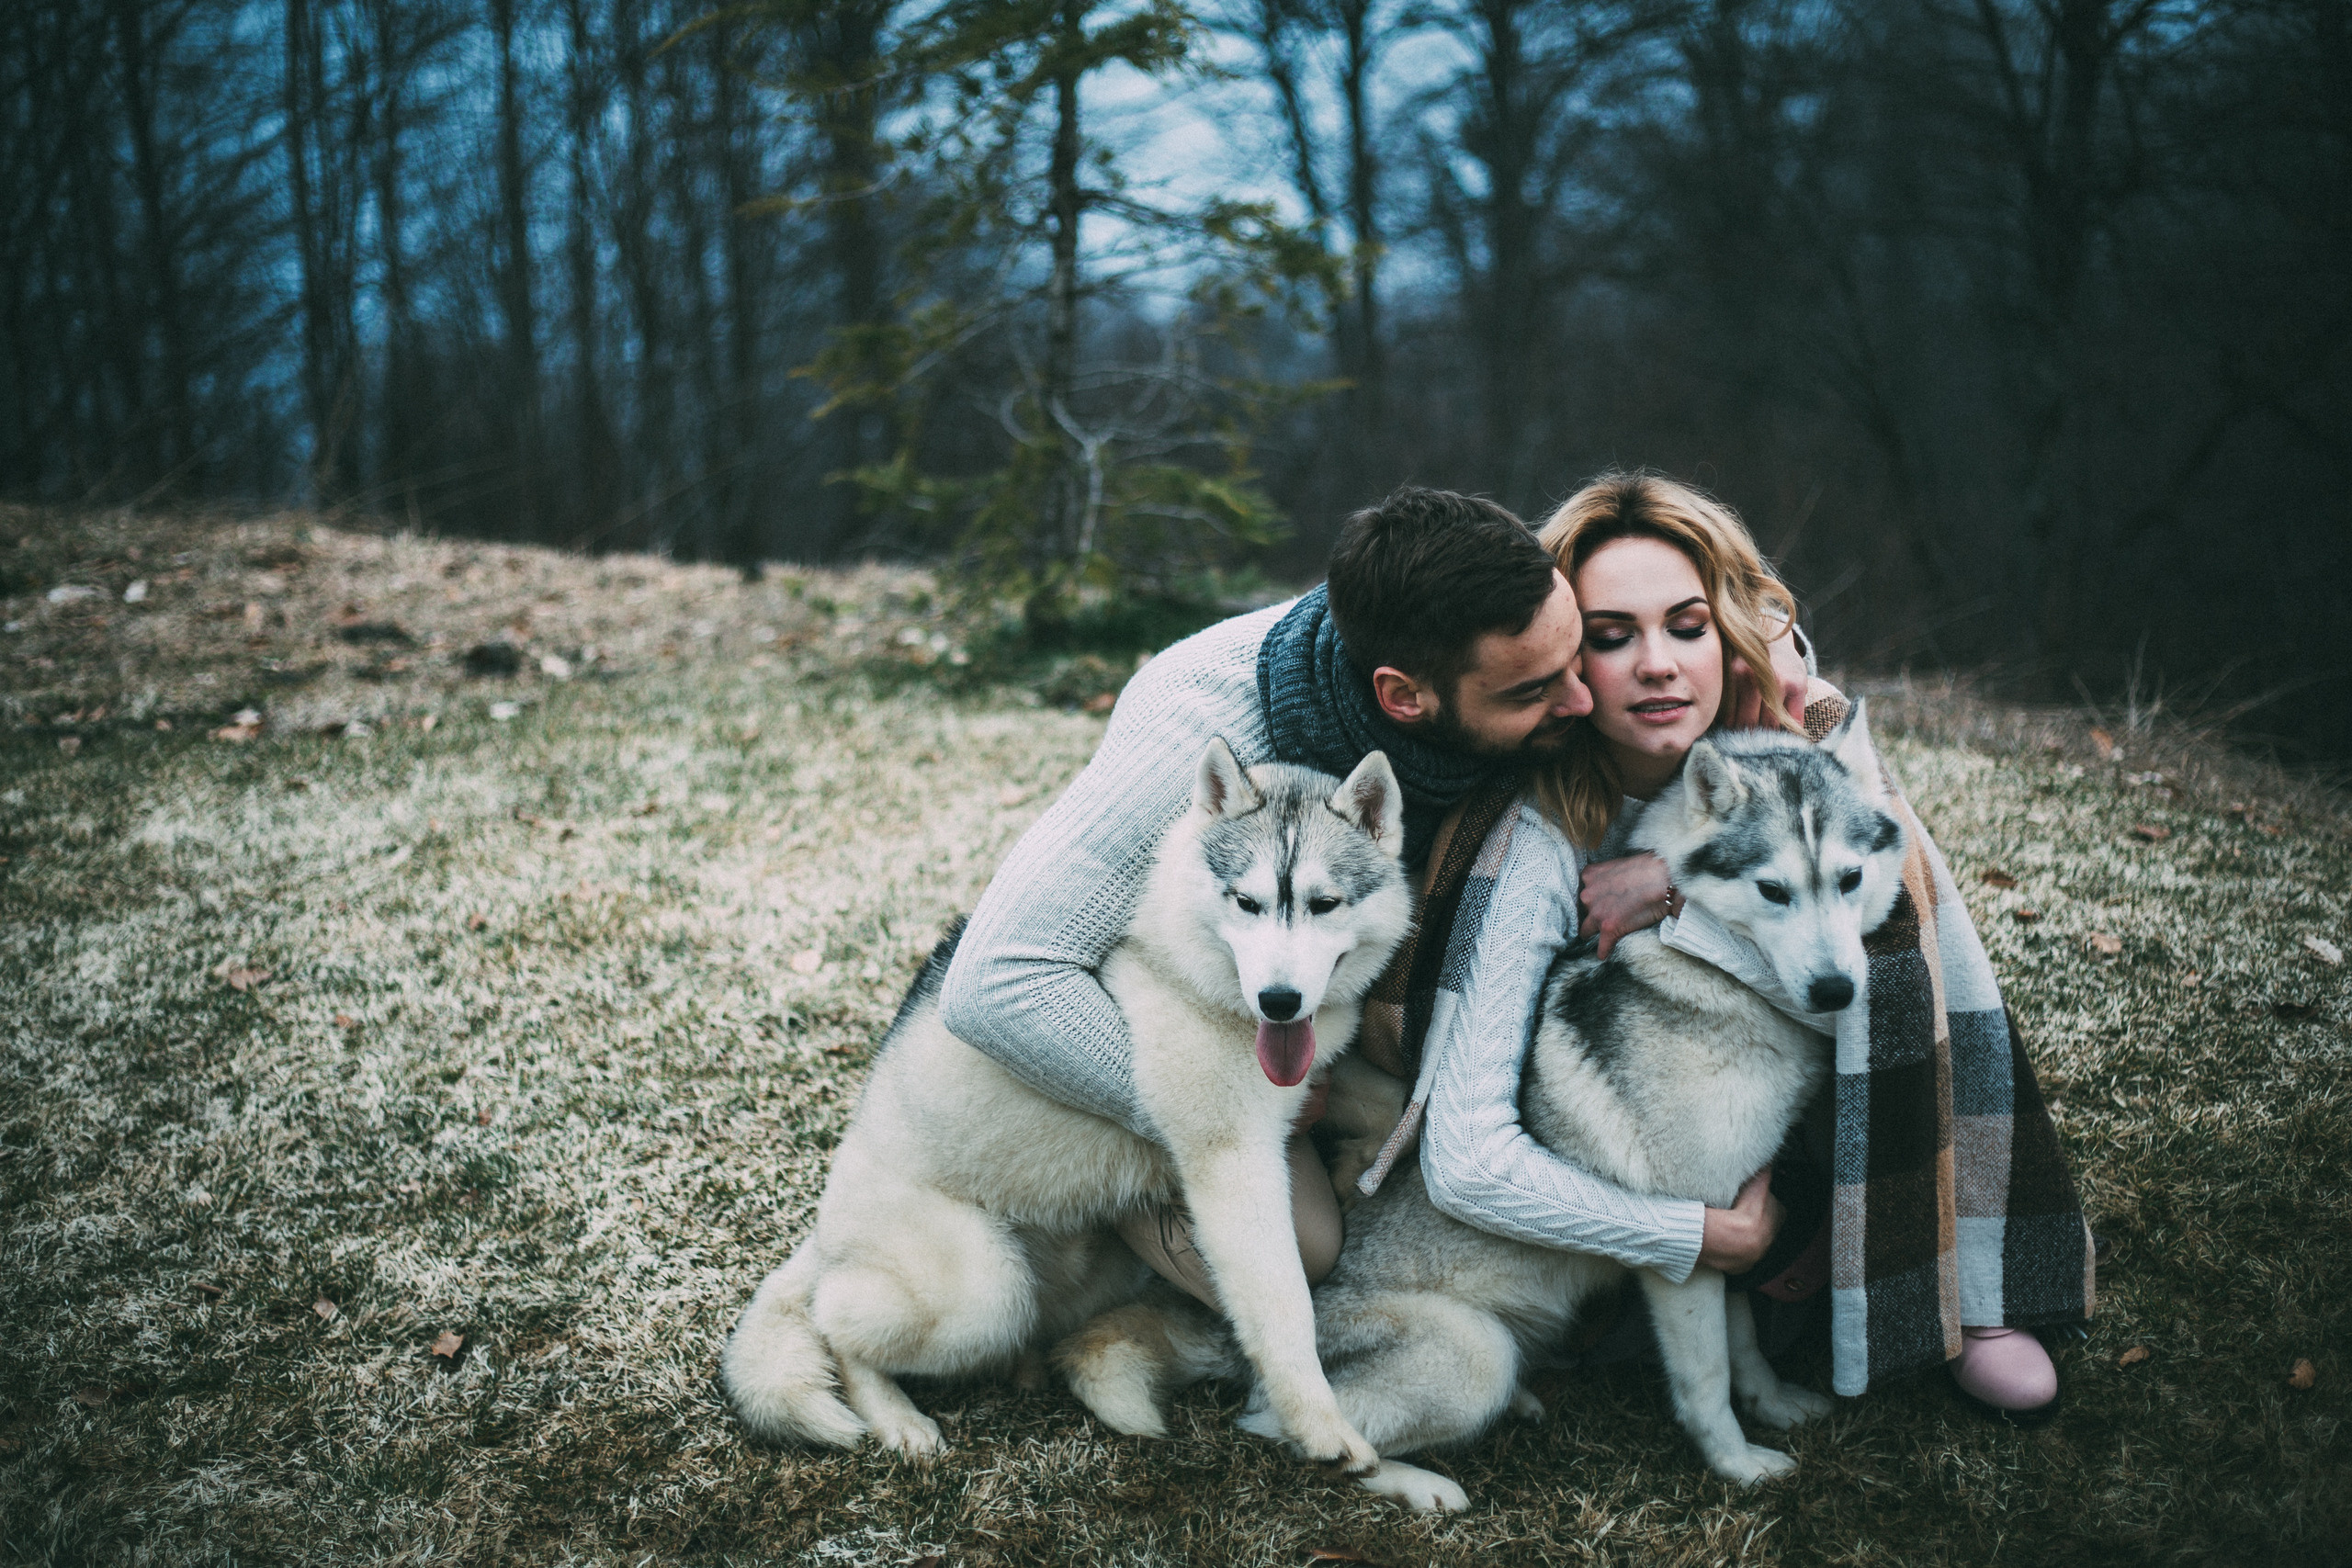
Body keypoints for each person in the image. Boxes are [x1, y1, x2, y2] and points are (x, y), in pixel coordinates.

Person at [1408, 471, 2091, 1415]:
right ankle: (1783, 1256)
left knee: (1896, 874)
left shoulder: (1781, 724)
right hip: (1639, 1137)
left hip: (1777, 1109)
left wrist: (1678, 881)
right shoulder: (1538, 839)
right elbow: (1468, 1153)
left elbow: (1871, 927)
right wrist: (1686, 1235)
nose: (1657, 665)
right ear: (1563, 658)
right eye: (1611, 638)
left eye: (1687, 627)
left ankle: (1966, 1275)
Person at [938, 486, 1594, 1303]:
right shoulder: (1202, 730)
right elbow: (994, 982)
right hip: (1166, 1021)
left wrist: (1788, 682)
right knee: (1309, 1250)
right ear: (1403, 698)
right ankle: (1113, 1263)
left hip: (1315, 1007)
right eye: (1534, 691)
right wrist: (1227, 1112)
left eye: (1584, 652)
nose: (1584, 699)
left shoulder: (1491, 623)